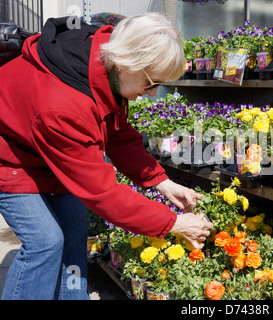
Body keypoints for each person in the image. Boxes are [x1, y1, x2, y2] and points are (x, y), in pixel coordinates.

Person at [0, 13, 212, 300]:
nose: (153, 93)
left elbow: (117, 134)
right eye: (151, 82)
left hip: (50, 151)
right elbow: (102, 193)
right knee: (46, 242)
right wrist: (173, 223)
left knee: (74, 233)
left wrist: (162, 182)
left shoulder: (105, 67)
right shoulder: (64, 107)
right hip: (11, 159)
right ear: (126, 62)